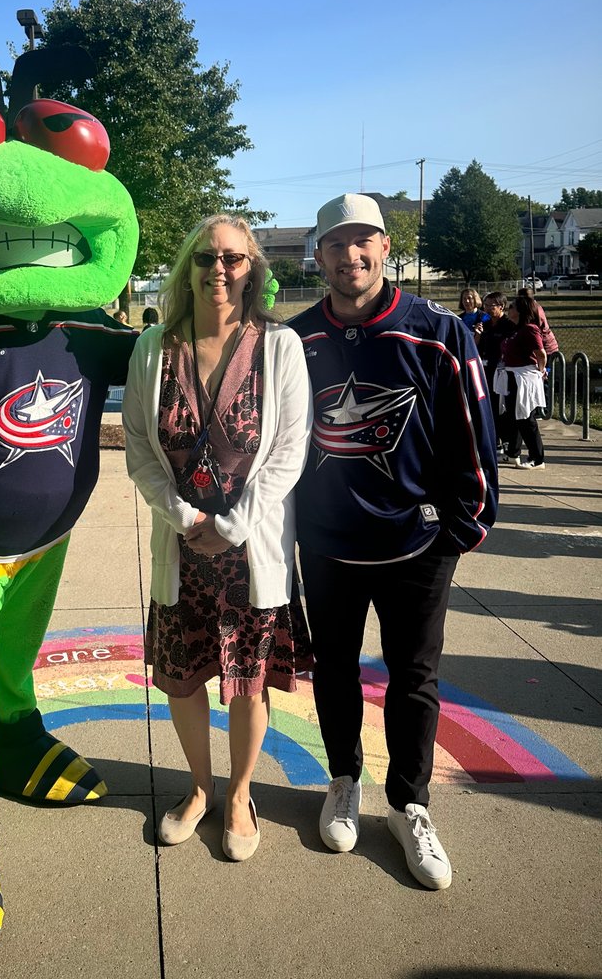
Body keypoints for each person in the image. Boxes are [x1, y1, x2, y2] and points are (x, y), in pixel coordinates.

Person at [288, 193, 497, 891]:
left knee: (414, 680)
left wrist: (463, 526)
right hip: (327, 548)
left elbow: (475, 432)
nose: (351, 255)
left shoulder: (437, 332)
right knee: (336, 669)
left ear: (385, 247)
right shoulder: (294, 340)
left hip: (416, 545)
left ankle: (410, 803)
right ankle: (343, 780)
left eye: (363, 242)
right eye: (336, 244)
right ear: (316, 256)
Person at [123, 214, 312, 862]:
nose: (219, 270)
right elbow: (141, 453)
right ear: (188, 269)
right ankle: (199, 788)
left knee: (248, 683)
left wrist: (228, 526)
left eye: (233, 259)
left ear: (253, 267)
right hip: (179, 549)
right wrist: (186, 520)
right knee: (182, 680)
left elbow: (290, 452)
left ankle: (239, 794)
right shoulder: (153, 348)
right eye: (205, 259)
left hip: (250, 551)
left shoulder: (280, 347)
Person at [496, 291, 547, 470]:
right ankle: (513, 454)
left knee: (526, 418)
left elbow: (541, 354)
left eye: (512, 307)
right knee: (513, 416)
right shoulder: (515, 329)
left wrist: (540, 372)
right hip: (510, 375)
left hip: (524, 378)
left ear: (521, 311)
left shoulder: (530, 329)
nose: (509, 310)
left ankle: (537, 458)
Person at [477, 291, 516, 453]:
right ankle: (494, 440)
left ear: (501, 307)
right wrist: (477, 335)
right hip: (486, 368)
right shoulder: (484, 324)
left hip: (502, 370)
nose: (487, 308)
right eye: (485, 305)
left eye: (491, 305)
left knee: (503, 407)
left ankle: (506, 439)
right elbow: (477, 347)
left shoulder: (508, 325)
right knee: (489, 405)